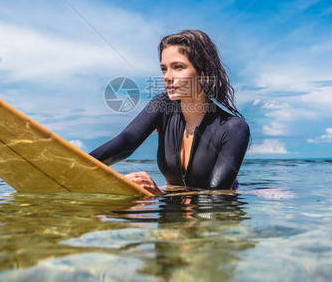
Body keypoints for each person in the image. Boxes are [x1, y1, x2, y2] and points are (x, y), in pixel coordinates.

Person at [90, 30, 250, 195]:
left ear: (203, 70)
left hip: (214, 210)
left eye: (178, 67)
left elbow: (215, 199)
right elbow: (127, 141)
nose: (167, 77)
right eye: (164, 69)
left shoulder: (233, 128)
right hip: (174, 204)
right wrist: (77, 164)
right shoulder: (163, 105)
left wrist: (160, 194)